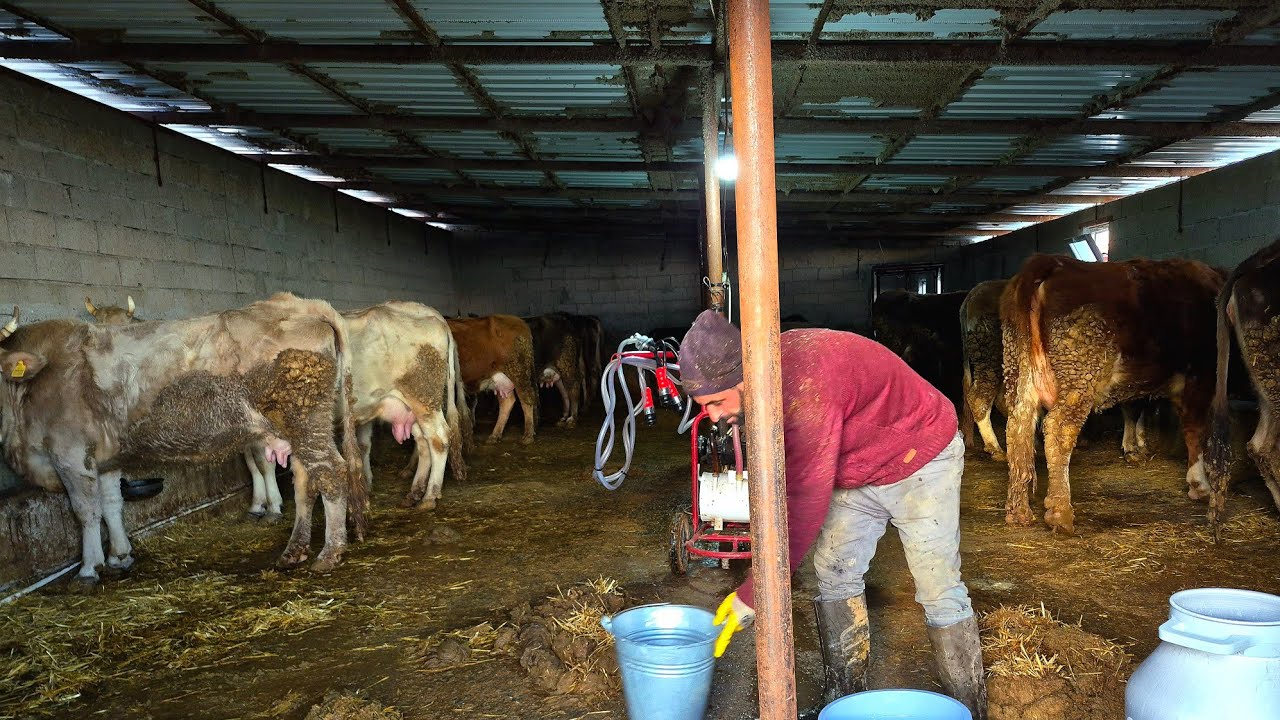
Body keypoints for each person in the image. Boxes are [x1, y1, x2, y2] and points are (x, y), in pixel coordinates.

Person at [679, 309, 986, 718]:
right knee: (835, 573)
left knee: (937, 586)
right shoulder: (764, 380)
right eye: (704, 406)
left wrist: (754, 593)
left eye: (717, 402)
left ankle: (970, 707)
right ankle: (842, 701)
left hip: (920, 456)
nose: (714, 416)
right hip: (857, 464)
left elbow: (804, 502)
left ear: (743, 377)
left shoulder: (804, 386)